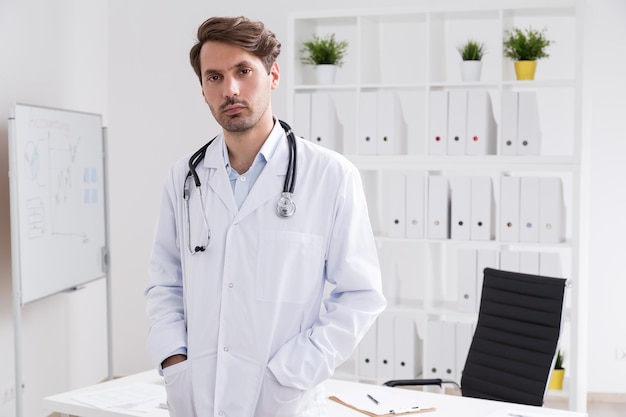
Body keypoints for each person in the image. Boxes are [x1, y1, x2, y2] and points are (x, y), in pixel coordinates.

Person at [145, 16, 386, 417]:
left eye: (243, 71)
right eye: (214, 77)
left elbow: (360, 295)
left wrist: (293, 370)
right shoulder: (184, 179)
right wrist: (174, 360)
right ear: (203, 91)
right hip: (197, 397)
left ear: (273, 75)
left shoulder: (331, 176)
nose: (231, 89)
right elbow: (164, 284)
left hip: (280, 397)